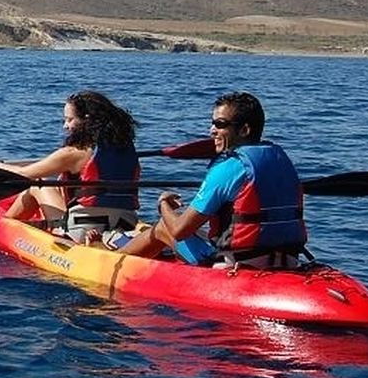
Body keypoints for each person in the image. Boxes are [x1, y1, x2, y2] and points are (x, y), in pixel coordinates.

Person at [116, 92, 307, 267]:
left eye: (220, 124)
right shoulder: (281, 159)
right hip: (288, 261)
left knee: (164, 226)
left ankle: (115, 262)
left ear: (244, 130)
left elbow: (179, 231)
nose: (212, 130)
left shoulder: (228, 167)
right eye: (213, 123)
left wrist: (163, 203)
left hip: (235, 264)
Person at [0, 90, 142, 243]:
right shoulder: (125, 149)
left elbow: (24, 174)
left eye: (70, 119)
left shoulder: (75, 152)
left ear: (87, 120)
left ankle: (4, 224)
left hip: (83, 228)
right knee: (61, 183)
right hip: (125, 224)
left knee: (38, 183)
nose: (65, 126)